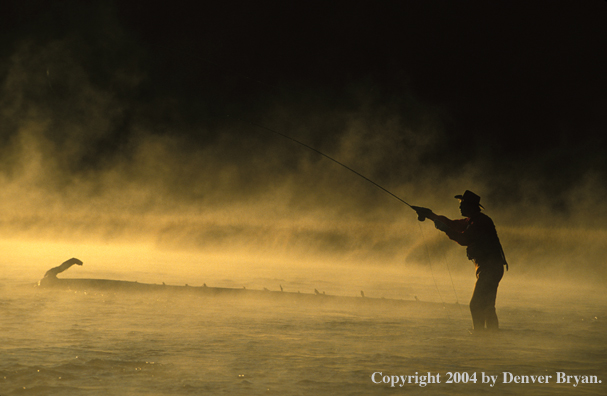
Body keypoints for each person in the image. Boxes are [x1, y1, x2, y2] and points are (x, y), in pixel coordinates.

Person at [413, 191, 507, 333]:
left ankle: (479, 335)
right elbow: (452, 223)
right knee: (487, 306)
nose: (460, 208)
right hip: (490, 267)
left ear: (470, 206)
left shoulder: (480, 221)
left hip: (490, 268)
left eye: (462, 204)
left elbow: (464, 239)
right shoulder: (472, 220)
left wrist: (446, 230)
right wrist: (430, 215)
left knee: (476, 305)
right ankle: (491, 338)